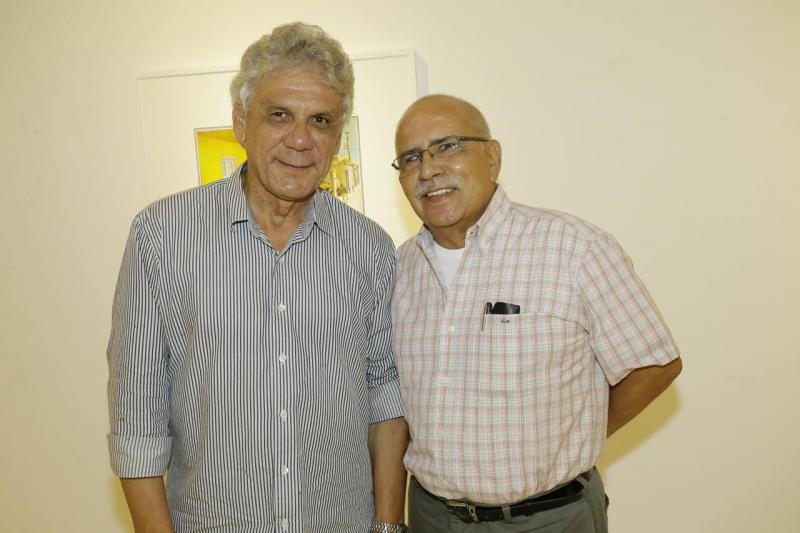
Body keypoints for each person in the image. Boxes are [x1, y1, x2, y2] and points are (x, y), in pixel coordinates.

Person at [107, 22, 409, 533]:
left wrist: (387, 525)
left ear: (338, 135)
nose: (300, 140)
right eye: (279, 115)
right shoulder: (161, 235)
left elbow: (385, 395)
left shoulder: (371, 248)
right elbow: (135, 415)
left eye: (320, 120)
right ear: (241, 121)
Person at [391, 94, 682, 532]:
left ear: (492, 157)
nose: (428, 169)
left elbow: (653, 364)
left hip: (548, 519)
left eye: (447, 146)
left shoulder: (573, 248)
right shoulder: (398, 269)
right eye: (411, 158)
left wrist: (576, 436)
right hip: (432, 517)